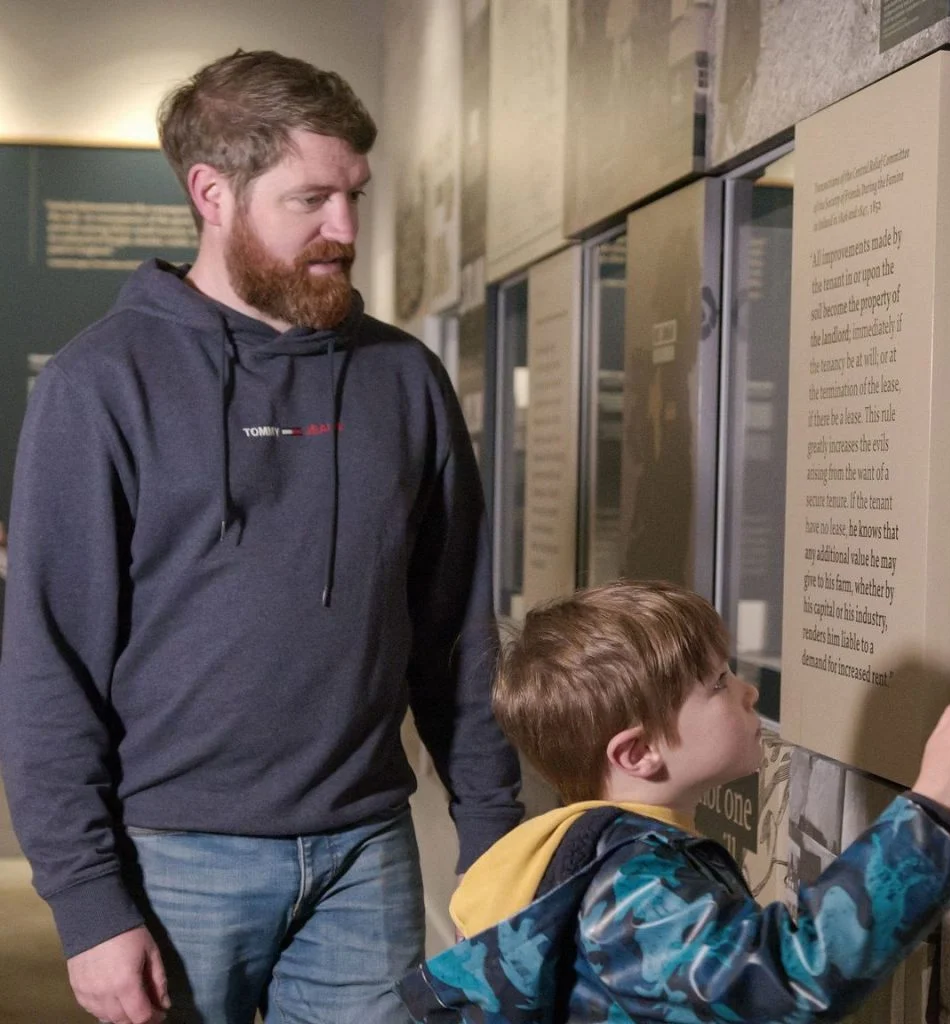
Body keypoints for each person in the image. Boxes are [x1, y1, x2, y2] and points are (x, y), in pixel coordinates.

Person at [0, 50, 522, 1024]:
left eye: (355, 194)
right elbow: (47, 666)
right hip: (172, 860)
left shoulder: (404, 380)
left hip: (369, 848)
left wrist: (495, 841)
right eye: (311, 198)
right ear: (212, 192)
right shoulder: (98, 385)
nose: (347, 230)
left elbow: (455, 634)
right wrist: (86, 905)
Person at [398, 581, 950, 1023]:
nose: (748, 692)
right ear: (638, 753)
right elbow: (788, 983)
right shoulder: (635, 886)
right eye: (719, 684)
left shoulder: (592, 856)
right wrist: (932, 809)